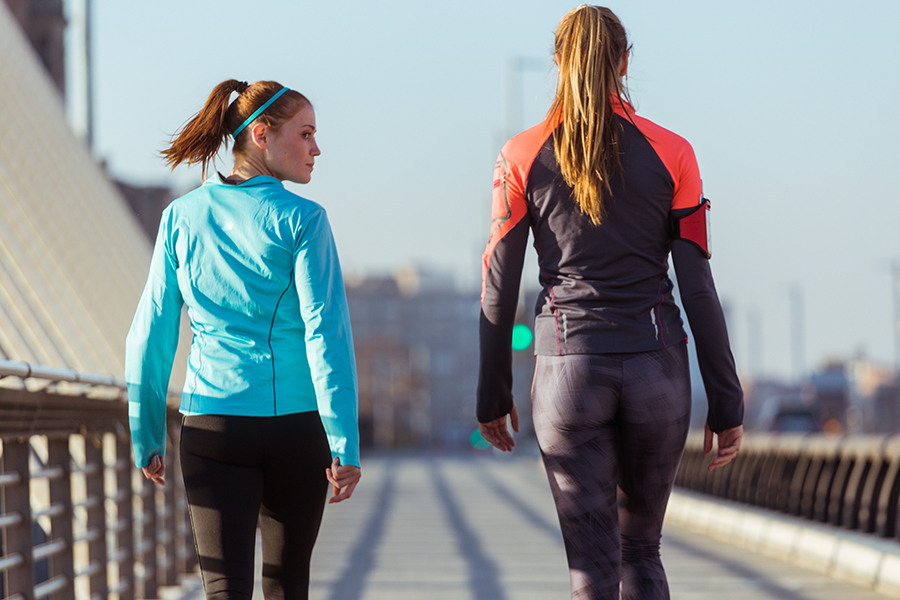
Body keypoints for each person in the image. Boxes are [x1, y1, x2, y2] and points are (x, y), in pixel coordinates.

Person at [476, 6, 743, 599]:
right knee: (642, 553)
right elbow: (698, 285)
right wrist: (726, 399)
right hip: (657, 365)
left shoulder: (519, 155)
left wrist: (491, 392)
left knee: (592, 570)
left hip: (568, 369)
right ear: (624, 62)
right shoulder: (674, 152)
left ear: (558, 65)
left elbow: (500, 283)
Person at [125, 79, 361, 600]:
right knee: (285, 586)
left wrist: (146, 434)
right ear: (261, 134)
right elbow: (326, 333)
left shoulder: (179, 218)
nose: (316, 148)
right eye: (305, 134)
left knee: (224, 589)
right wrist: (344, 439)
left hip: (211, 426)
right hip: (296, 428)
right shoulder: (304, 220)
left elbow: (151, 333)